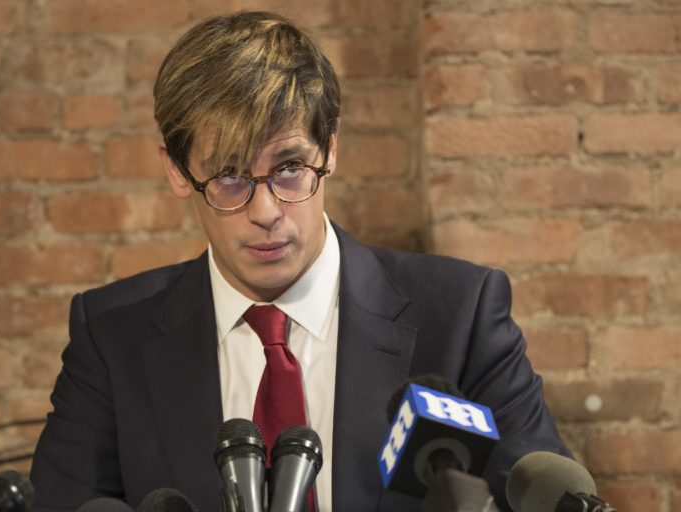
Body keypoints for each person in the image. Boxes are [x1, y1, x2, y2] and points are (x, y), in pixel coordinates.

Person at [30, 11, 570, 512]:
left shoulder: (460, 316)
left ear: (329, 148)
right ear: (176, 171)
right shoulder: (110, 336)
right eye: (229, 177)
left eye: (289, 167)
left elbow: (543, 491)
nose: (265, 212)